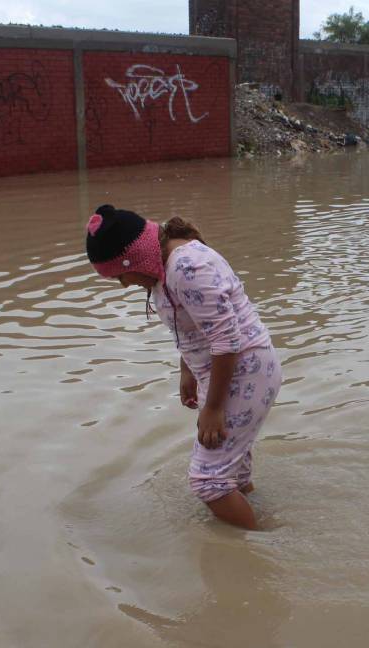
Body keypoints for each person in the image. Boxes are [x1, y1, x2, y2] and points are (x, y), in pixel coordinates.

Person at [84, 205, 281, 530]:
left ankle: (260, 550)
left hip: (244, 371)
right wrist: (188, 371)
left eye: (119, 275)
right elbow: (196, 325)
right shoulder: (169, 262)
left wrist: (215, 407)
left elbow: (226, 338)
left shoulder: (185, 267)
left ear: (134, 259)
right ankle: (255, 518)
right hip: (236, 371)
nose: (122, 284)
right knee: (231, 471)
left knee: (208, 481)